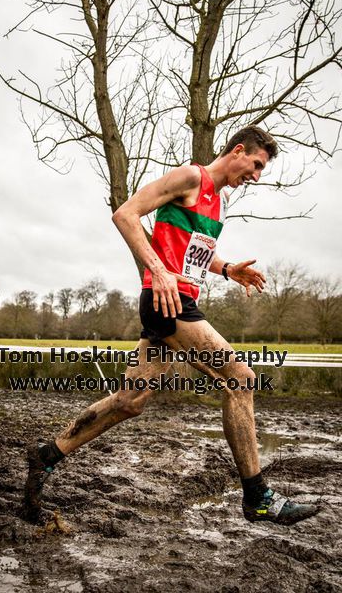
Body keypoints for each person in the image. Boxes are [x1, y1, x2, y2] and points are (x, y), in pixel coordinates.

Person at [24, 125, 319, 525]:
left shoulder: (219, 202)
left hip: (176, 301)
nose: (256, 175)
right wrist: (157, 270)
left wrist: (228, 268)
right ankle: (258, 497)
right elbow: (124, 214)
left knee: (130, 401)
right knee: (240, 378)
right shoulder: (191, 177)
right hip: (168, 302)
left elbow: (189, 256)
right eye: (256, 165)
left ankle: (47, 455)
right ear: (237, 151)